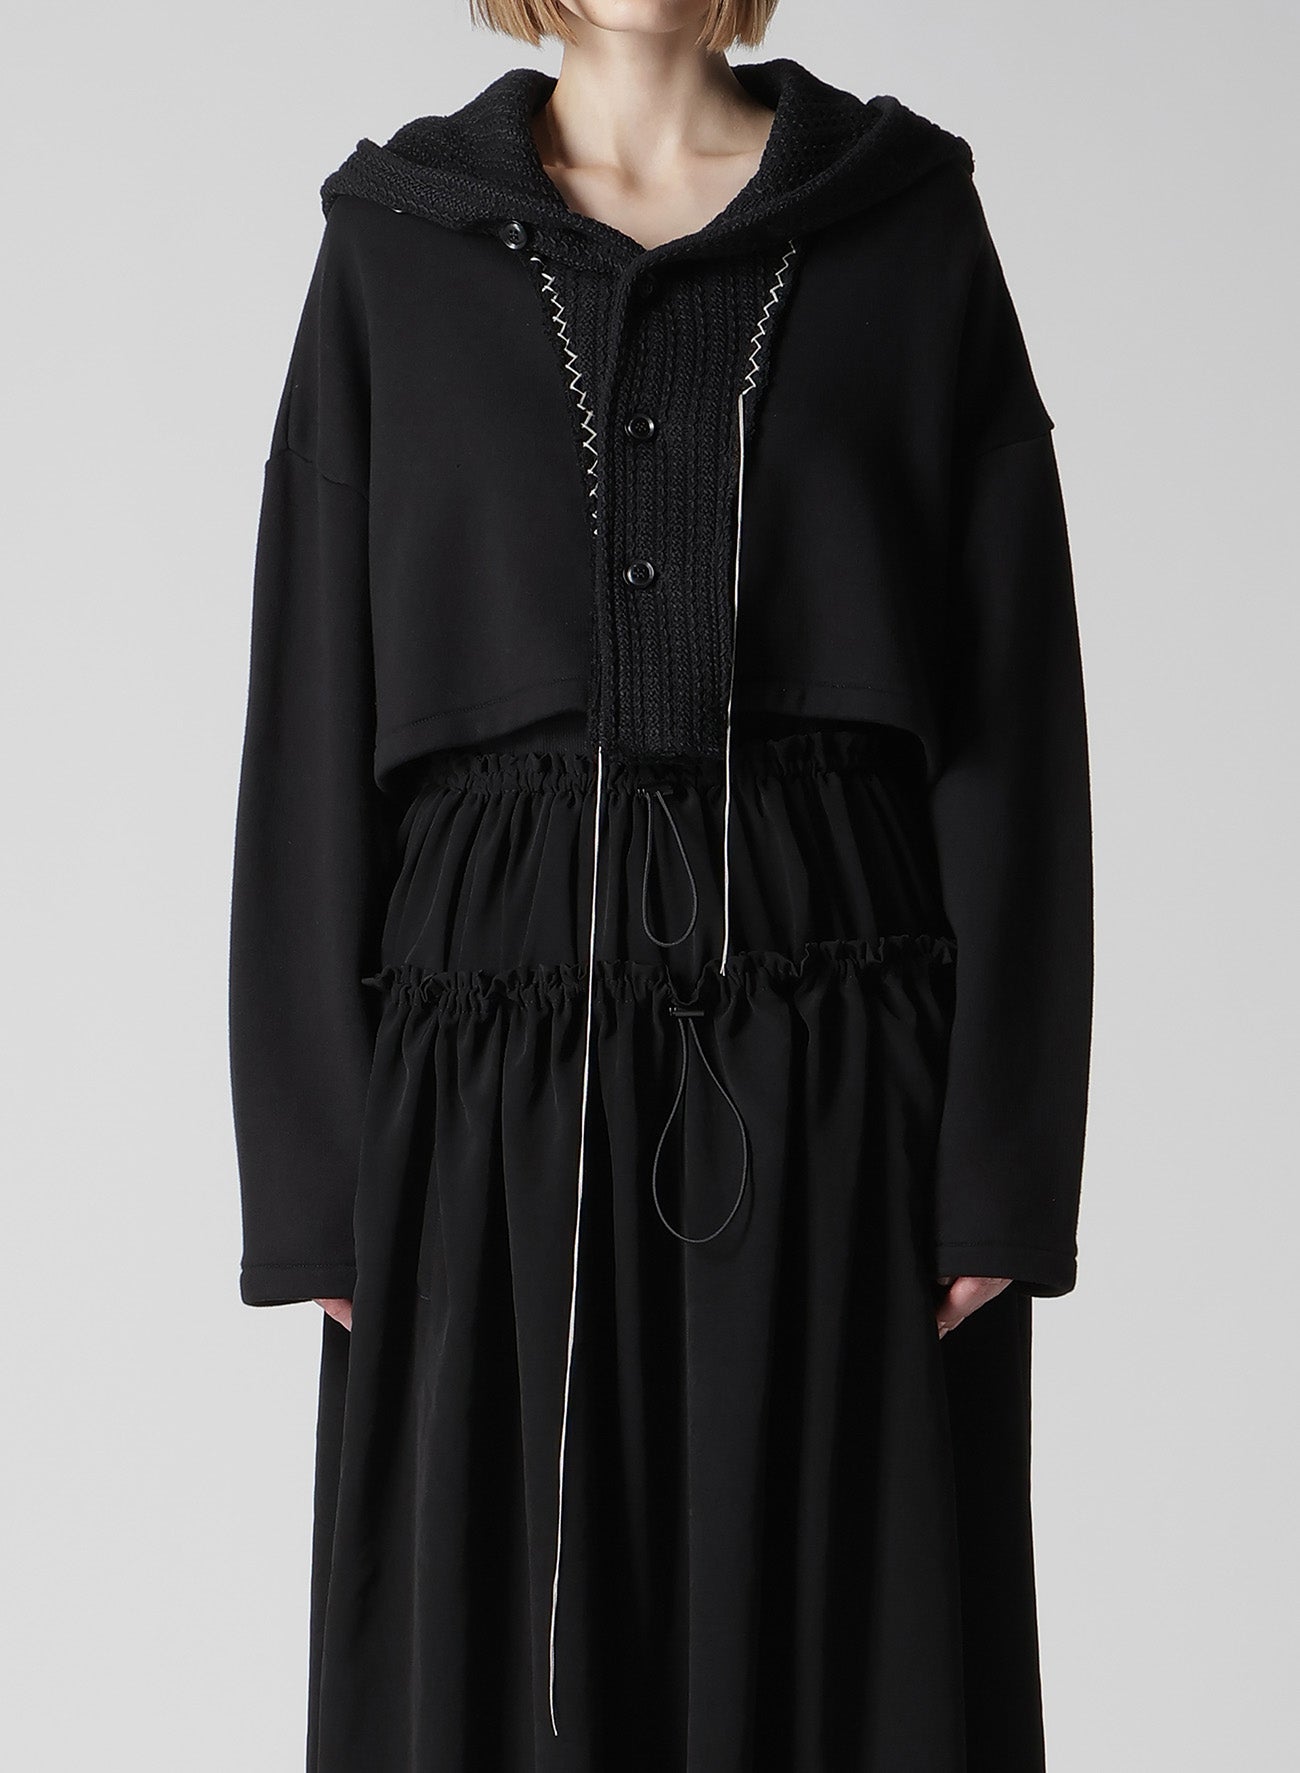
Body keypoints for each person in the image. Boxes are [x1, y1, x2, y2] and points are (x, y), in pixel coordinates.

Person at [227, 1, 1093, 1766]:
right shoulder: (395, 244)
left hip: (839, 1047)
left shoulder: (908, 226)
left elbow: (1014, 711)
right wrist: (316, 1185)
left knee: (844, 1647)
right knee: (508, 1661)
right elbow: (310, 708)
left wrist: (999, 1173)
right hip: (487, 1075)